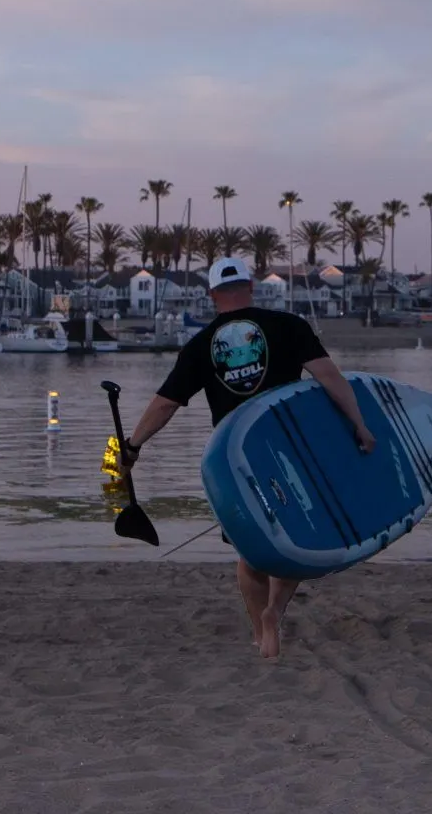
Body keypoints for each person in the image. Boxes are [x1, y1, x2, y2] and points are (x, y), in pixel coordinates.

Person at [119, 256, 376, 659]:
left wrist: (131, 446)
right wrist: (360, 424)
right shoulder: (289, 326)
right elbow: (330, 378)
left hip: (235, 458)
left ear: (211, 295)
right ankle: (275, 611)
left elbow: (165, 405)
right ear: (250, 287)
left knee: (250, 552)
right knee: (295, 539)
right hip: (291, 451)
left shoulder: (201, 345)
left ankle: (261, 634)